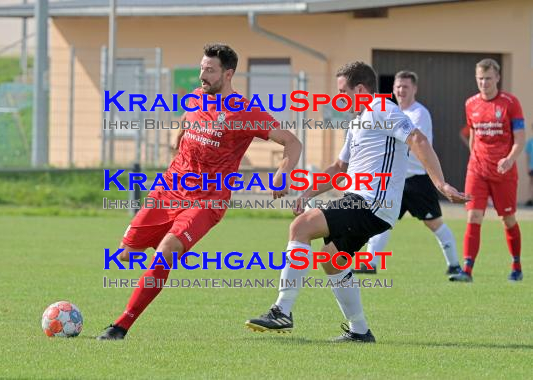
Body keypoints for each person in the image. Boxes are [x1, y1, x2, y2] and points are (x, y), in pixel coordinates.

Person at [245, 61, 469, 343]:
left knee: (301, 227)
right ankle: (360, 330)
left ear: (360, 89)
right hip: (361, 200)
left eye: (342, 91)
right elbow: (340, 167)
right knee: (330, 259)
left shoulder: (383, 109)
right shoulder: (357, 119)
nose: (339, 98)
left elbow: (418, 139)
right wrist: (306, 193)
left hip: (372, 202)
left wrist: (439, 183)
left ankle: (282, 310)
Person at [97, 43, 302, 340]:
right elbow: (186, 121)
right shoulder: (196, 98)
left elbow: (292, 142)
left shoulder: (246, 112)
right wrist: (177, 141)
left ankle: (120, 326)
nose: (202, 75)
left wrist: (283, 174)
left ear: (228, 74)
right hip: (169, 189)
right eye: (201, 68)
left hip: (208, 200)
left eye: (209, 70)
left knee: (167, 250)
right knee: (126, 255)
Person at [357, 71, 461, 276]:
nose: (401, 90)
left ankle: (455, 265)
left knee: (433, 223)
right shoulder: (391, 111)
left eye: (405, 86)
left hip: (417, 181)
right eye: (398, 86)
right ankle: (369, 264)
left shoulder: (419, 114)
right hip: (395, 180)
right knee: (380, 218)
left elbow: (412, 143)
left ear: (414, 89)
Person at [450, 58, 525, 283]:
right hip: (477, 171)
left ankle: (516, 266)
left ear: (498, 78)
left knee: (508, 219)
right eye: (480, 79)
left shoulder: (510, 103)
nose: (484, 83)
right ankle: (467, 271)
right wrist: (474, 159)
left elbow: (520, 138)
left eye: (488, 79)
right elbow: (473, 135)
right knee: (473, 216)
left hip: (504, 172)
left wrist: (510, 159)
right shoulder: (470, 103)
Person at [525, 126, 533, 207]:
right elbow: (527, 155)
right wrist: (528, 167)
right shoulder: (530, 142)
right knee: (531, 183)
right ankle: (530, 199)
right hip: (532, 166)